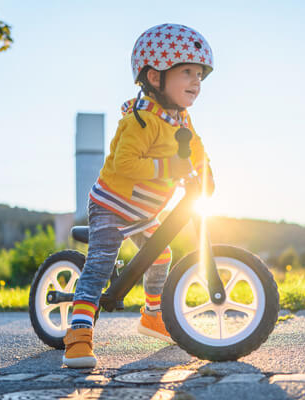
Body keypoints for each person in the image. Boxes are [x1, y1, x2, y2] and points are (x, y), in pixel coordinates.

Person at [63, 23, 215, 368]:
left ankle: (152, 314)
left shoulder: (181, 120)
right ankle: (78, 333)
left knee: (160, 255)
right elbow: (126, 164)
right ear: (155, 76)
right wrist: (169, 171)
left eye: (200, 75)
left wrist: (206, 175)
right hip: (111, 206)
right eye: (187, 72)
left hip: (146, 211)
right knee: (101, 262)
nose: (196, 81)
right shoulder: (139, 121)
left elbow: (197, 152)